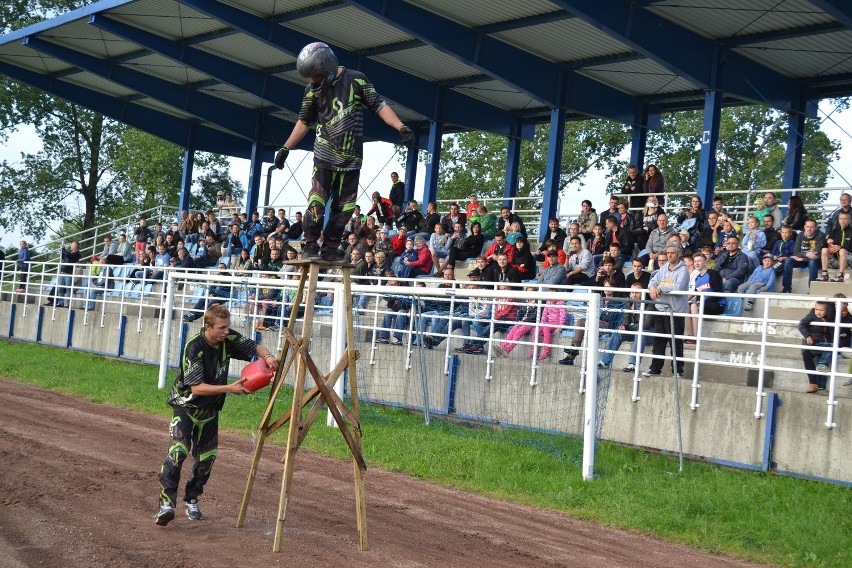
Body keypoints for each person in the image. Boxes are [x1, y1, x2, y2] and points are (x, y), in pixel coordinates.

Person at [274, 42, 412, 261]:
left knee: (344, 210)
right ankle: (309, 247)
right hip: (324, 155)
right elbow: (304, 121)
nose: (312, 82)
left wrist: (400, 126)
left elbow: (379, 105)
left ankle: (329, 250)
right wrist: (285, 147)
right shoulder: (311, 91)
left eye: (315, 77)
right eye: (309, 78)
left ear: (328, 69)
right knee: (316, 203)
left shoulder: (357, 80)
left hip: (351, 158)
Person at [155, 304, 278, 526]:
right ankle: (166, 504)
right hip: (186, 407)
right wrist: (230, 388)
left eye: (228, 327)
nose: (226, 331)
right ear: (208, 327)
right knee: (178, 452)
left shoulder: (227, 338)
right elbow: (197, 388)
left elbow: (253, 346)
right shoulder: (194, 348)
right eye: (222, 328)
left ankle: (191, 499)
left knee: (207, 459)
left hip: (211, 409)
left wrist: (268, 357)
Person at [642, 244, 689, 378]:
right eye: (668, 252)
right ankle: (655, 368)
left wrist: (660, 288)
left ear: (678, 254)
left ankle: (678, 370)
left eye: (672, 253)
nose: (669, 255)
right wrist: (652, 288)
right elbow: (653, 281)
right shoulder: (663, 268)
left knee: (675, 342)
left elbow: (678, 287)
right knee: (659, 341)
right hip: (661, 308)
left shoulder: (683, 270)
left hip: (675, 311)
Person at [798, 300, 835, 394]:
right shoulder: (811, 316)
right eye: (816, 309)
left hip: (824, 346)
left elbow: (832, 309)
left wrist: (829, 301)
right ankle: (822, 363)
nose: (818, 312)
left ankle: (822, 389)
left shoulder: (829, 317)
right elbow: (801, 325)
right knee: (832, 347)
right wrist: (807, 336)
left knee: (821, 367)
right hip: (815, 344)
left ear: (827, 311)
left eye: (821, 310)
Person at [686, 253, 725, 339]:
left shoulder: (713, 274)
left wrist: (703, 302)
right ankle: (690, 337)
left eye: (699, 261)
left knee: (693, 306)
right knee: (686, 307)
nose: (697, 263)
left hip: (718, 304)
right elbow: (696, 294)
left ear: (705, 262)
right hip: (703, 304)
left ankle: (696, 338)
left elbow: (718, 293)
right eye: (695, 261)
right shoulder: (697, 278)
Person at [781, 219, 825, 293]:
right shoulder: (801, 235)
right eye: (807, 226)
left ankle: (812, 289)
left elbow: (818, 254)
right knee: (788, 261)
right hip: (803, 259)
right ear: (804, 227)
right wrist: (806, 254)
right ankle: (787, 288)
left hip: (815, 260)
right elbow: (796, 252)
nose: (809, 229)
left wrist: (803, 258)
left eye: (812, 227)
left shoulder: (820, 235)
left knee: (812, 262)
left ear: (816, 227)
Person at [818, 210, 851, 282]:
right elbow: (823, 245)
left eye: (845, 219)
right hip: (836, 260)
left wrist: (841, 247)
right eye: (841, 219)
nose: (842, 221)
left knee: (842, 251)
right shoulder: (835, 231)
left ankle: (840, 275)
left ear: (849, 220)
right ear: (838, 220)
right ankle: (825, 274)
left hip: (849, 260)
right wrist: (828, 241)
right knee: (824, 250)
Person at [47, 241, 81, 307]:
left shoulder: (77, 253)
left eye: (72, 245)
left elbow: (69, 256)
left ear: (75, 246)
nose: (70, 246)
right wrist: (62, 250)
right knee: (60, 288)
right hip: (62, 272)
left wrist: (64, 249)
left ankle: (68, 304)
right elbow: (64, 257)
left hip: (69, 273)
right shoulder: (70, 252)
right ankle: (60, 303)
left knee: (68, 289)